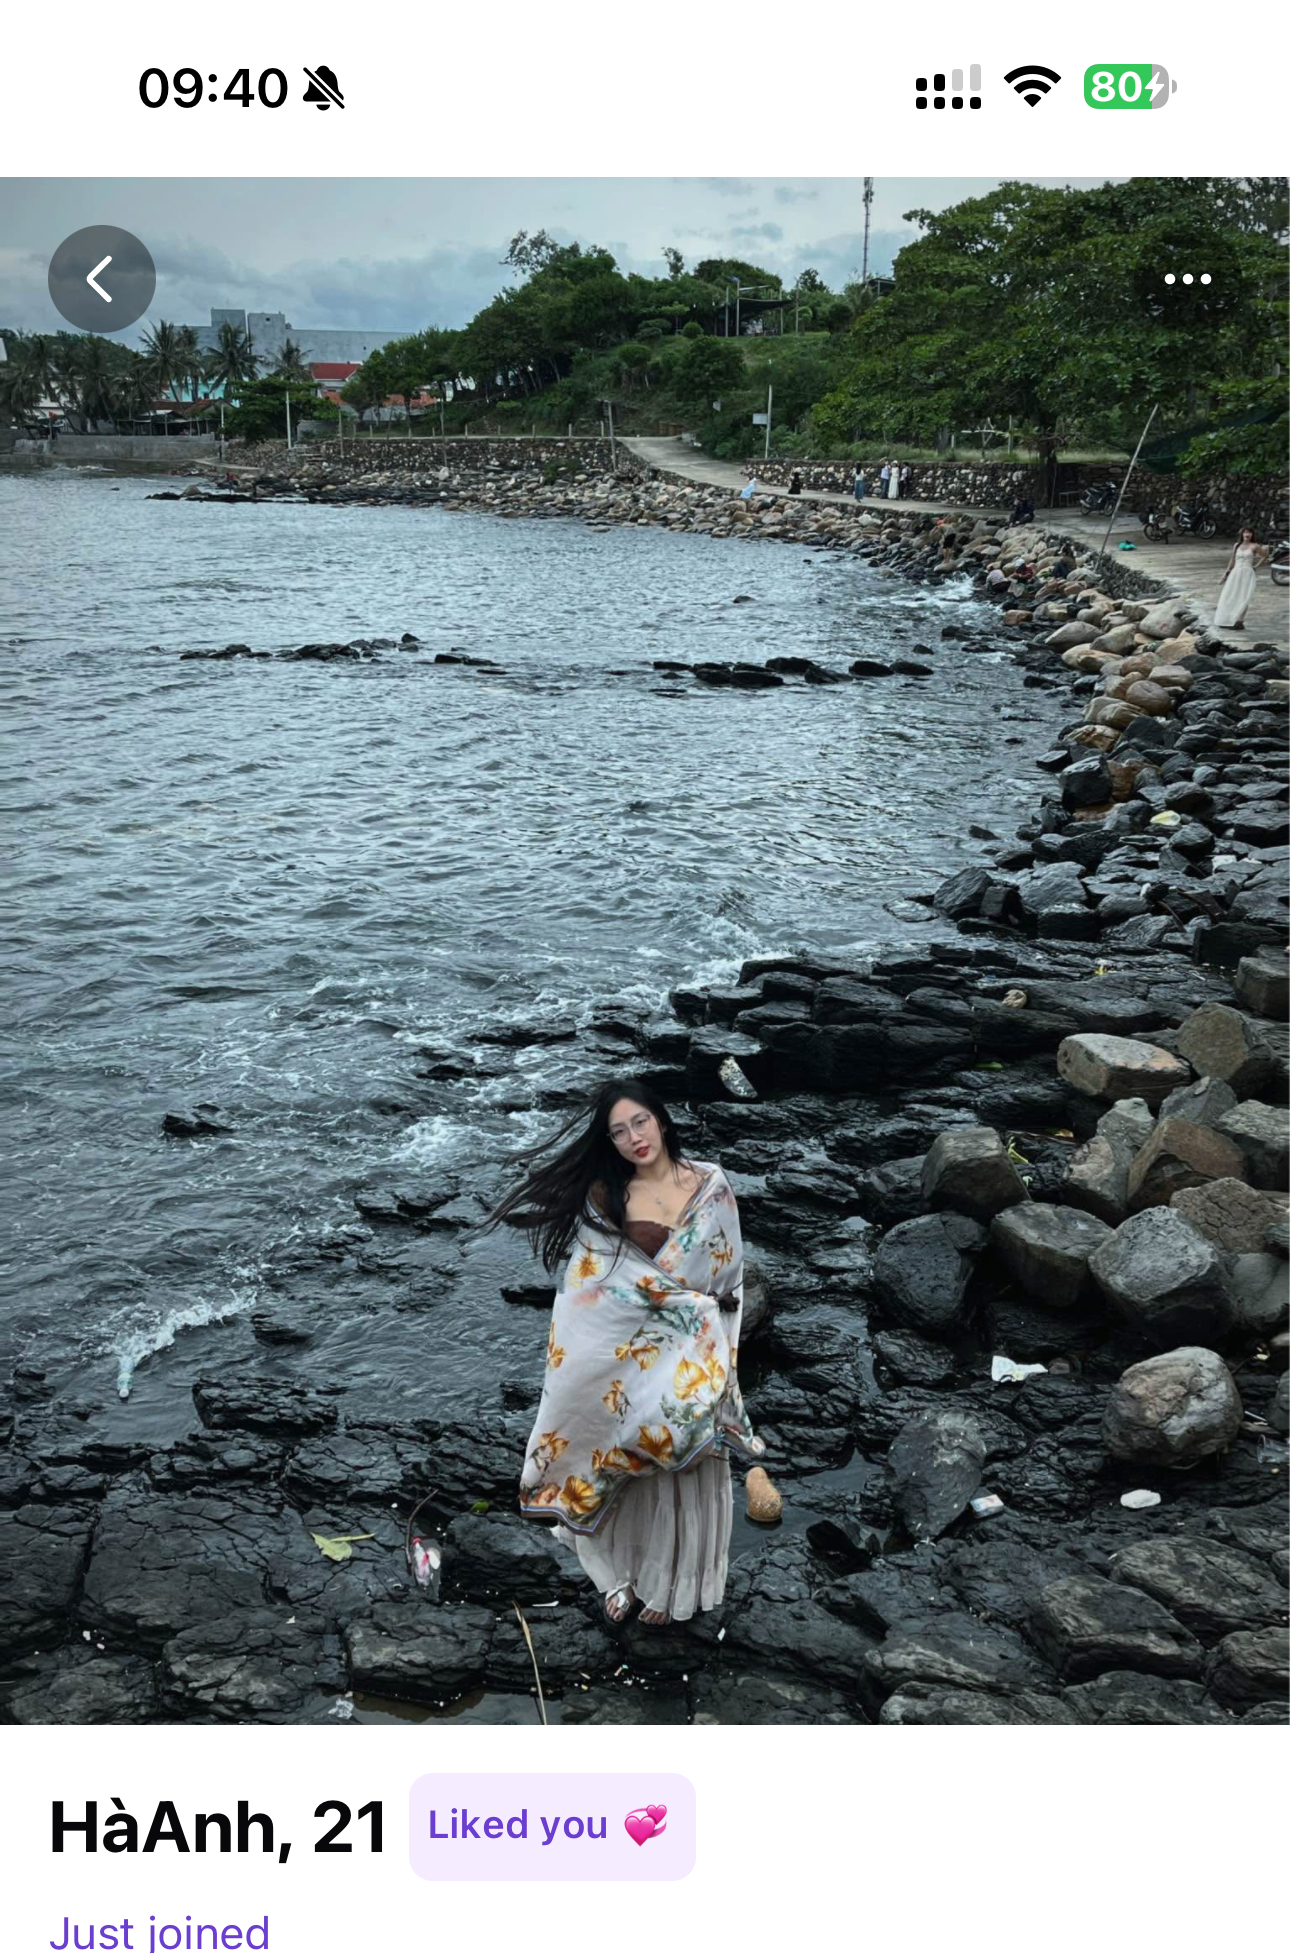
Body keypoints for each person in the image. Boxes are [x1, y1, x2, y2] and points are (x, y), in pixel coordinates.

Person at [483, 1077, 764, 1627]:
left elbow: (726, 1273)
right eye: (619, 1132)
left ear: (661, 1120)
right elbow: (591, 1290)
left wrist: (699, 1318)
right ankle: (616, 1575)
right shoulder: (607, 1197)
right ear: (609, 1143)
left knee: (680, 1467)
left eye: (640, 1122)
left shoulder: (711, 1185)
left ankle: (668, 1586)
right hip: (627, 1359)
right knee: (618, 1457)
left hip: (691, 1356)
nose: (635, 1137)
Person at [1214, 527, 1268, 631]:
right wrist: (1227, 572)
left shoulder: (1255, 546)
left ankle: (1239, 621)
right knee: (1230, 594)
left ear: (1252, 535)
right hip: (1236, 572)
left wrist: (1256, 566)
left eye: (1250, 533)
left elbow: (1265, 556)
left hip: (1247, 573)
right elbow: (1232, 559)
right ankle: (1227, 619)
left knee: (1244, 596)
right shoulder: (1237, 545)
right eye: (1246, 532)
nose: (1248, 534)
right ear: (1242, 534)